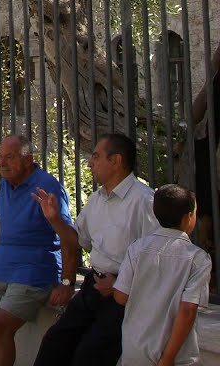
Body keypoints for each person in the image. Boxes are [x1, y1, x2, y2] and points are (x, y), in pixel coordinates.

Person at [32, 132, 158, 366]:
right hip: (93, 287)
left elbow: (157, 256)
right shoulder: (97, 199)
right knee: (54, 343)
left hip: (123, 294)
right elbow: (78, 240)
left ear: (116, 160)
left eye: (96, 156)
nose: (90, 163)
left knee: (90, 356)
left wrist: (122, 285)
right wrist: (55, 219)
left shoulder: (145, 201)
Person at [0, 134, 78, 366]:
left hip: (32, 274)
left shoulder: (47, 187)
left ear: (28, 160)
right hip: (0, 272)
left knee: (0, 326)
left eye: (10, 157)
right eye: (0, 157)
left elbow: (70, 240)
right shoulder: (6, 184)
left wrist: (67, 283)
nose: (2, 163)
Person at [113, 184, 211, 366]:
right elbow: (188, 310)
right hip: (177, 357)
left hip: (134, 351)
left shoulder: (137, 249)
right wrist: (167, 358)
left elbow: (120, 296)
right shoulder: (197, 258)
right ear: (188, 217)